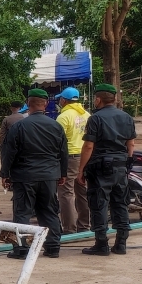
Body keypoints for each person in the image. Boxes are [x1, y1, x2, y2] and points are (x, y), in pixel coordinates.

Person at [0, 90, 67, 259]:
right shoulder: (56, 126)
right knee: (49, 212)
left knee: (22, 212)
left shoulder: (19, 126)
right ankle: (52, 247)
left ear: (28, 104)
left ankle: (22, 249)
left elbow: (9, 153)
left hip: (24, 176)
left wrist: (5, 173)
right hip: (49, 176)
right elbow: (63, 152)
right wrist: (62, 173)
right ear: (45, 104)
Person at [77, 84, 137, 256]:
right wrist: (127, 161)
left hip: (100, 167)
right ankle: (121, 243)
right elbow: (131, 143)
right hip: (120, 165)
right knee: (120, 203)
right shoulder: (126, 117)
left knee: (99, 204)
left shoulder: (95, 118)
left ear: (98, 99)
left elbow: (89, 145)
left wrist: (81, 169)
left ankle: (101, 244)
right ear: (115, 99)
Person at [56, 87, 90, 233]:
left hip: (70, 157)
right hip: (86, 156)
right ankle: (84, 226)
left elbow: (57, 140)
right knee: (83, 191)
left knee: (66, 192)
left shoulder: (63, 117)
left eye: (60, 99)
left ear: (64, 100)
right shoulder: (87, 115)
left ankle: (69, 228)